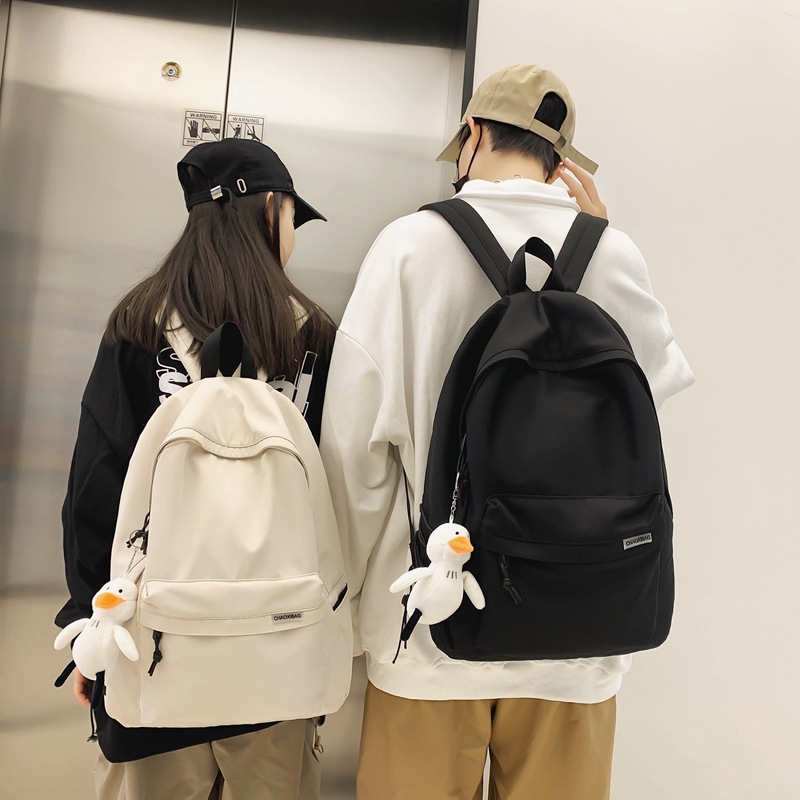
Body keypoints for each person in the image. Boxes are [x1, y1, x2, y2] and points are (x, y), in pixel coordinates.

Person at [319, 64, 695, 800]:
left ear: (473, 133)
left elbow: (353, 456)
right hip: (580, 637)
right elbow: (645, 406)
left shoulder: (408, 247)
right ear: (560, 161)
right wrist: (606, 241)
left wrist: (352, 611)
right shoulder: (612, 250)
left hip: (431, 629)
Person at [55, 138, 335, 800]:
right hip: (280, 645)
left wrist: (89, 619)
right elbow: (338, 493)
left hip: (152, 641)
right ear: (269, 208)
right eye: (293, 216)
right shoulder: (313, 336)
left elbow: (95, 483)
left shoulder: (137, 323)